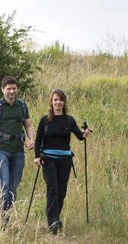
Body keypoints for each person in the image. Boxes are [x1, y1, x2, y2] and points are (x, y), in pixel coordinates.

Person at [34, 88, 91, 234]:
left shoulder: (69, 120)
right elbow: (38, 139)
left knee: (62, 191)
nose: (58, 102)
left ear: (64, 102)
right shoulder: (45, 120)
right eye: (55, 100)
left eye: (60, 100)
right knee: (53, 189)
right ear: (51, 102)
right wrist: (37, 156)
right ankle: (53, 220)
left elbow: (79, 136)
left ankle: (55, 219)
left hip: (65, 160)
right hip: (48, 159)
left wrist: (85, 133)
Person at [0, 76, 33, 223]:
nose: (11, 91)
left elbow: (28, 125)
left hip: (18, 151)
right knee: (5, 183)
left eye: (14, 88)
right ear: (2, 89)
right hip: (0, 150)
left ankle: (5, 214)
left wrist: (31, 139)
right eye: (8, 88)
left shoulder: (22, 106)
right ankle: (3, 220)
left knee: (14, 187)